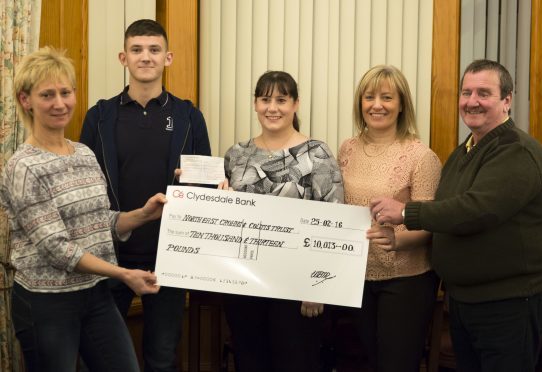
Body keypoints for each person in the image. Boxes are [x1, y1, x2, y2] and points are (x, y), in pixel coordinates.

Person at [371, 59, 542, 372]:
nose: (472, 101)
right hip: (465, 302)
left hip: (507, 306)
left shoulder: (517, 151)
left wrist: (403, 212)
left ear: (507, 100)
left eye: (484, 93)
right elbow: (446, 214)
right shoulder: (465, 150)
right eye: (466, 92)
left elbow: (475, 211)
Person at [0, 46, 166, 372]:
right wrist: (123, 273)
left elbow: (98, 222)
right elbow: (57, 249)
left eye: (65, 92)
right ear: (25, 100)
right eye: (47, 94)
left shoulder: (84, 155)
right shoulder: (24, 167)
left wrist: (143, 214)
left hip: (95, 295)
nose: (59, 103)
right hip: (47, 304)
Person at [80, 19, 211, 371]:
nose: (145, 57)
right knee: (103, 359)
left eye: (154, 50)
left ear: (167, 58)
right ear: (123, 57)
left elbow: (208, 186)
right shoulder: (99, 116)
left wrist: (206, 185)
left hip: (170, 257)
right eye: (137, 50)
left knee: (162, 359)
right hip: (111, 257)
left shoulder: (188, 116)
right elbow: (86, 189)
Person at [219, 70, 344, 372]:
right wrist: (219, 200)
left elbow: (335, 220)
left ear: (296, 104)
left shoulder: (317, 154)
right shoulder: (236, 155)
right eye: (265, 99)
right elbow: (224, 221)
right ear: (255, 104)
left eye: (281, 100)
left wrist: (318, 286)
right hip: (244, 283)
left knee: (296, 362)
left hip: (297, 286)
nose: (272, 107)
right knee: (250, 362)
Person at [336, 65, 441, 371]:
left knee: (396, 364)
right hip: (356, 277)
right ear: (360, 103)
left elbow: (430, 224)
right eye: (369, 97)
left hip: (405, 281)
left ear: (402, 104)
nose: (377, 105)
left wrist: (399, 239)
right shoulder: (347, 148)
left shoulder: (421, 156)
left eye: (386, 97)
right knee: (365, 361)